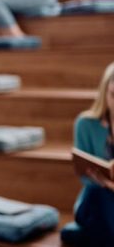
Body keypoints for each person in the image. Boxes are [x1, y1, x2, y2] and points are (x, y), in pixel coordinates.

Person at [73, 62, 114, 242]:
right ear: (104, 93)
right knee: (97, 194)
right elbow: (83, 174)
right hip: (96, 197)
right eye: (113, 95)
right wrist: (106, 183)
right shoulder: (85, 124)